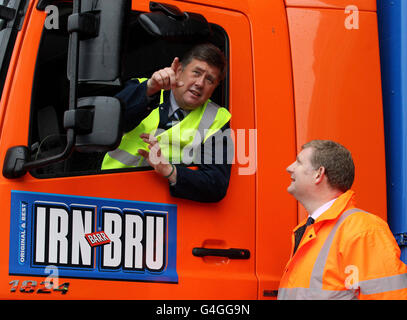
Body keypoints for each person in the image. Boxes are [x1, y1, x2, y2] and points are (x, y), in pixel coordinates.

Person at [102, 43, 233, 202]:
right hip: (111, 197)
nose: (200, 83)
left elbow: (216, 184)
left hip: (165, 212)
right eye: (196, 73)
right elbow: (106, 122)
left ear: (214, 87)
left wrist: (170, 171)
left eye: (209, 80)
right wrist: (149, 89)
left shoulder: (217, 119)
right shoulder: (144, 89)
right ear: (179, 71)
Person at [278, 139, 407, 300]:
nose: (289, 168)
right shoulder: (308, 229)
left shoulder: (363, 230)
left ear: (319, 174)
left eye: (298, 162)